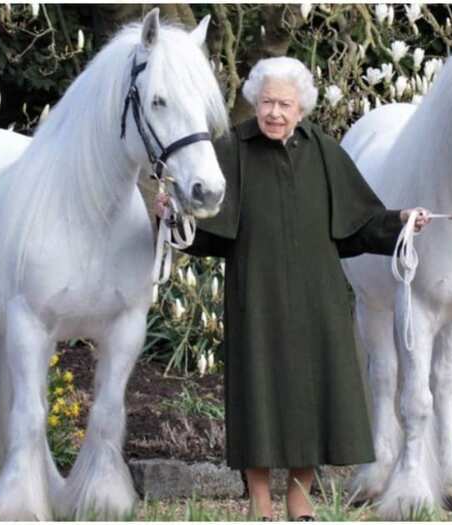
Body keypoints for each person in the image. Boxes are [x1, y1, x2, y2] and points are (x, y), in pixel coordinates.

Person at [154, 56, 429, 521]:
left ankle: (299, 497)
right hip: (254, 295)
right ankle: (260, 499)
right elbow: (206, 230)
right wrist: (171, 216)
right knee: (256, 395)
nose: (274, 113)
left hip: (316, 296)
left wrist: (401, 222)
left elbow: (358, 224)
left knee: (312, 394)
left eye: (284, 104)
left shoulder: (322, 149)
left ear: (301, 109)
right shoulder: (233, 148)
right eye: (266, 103)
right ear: (254, 104)